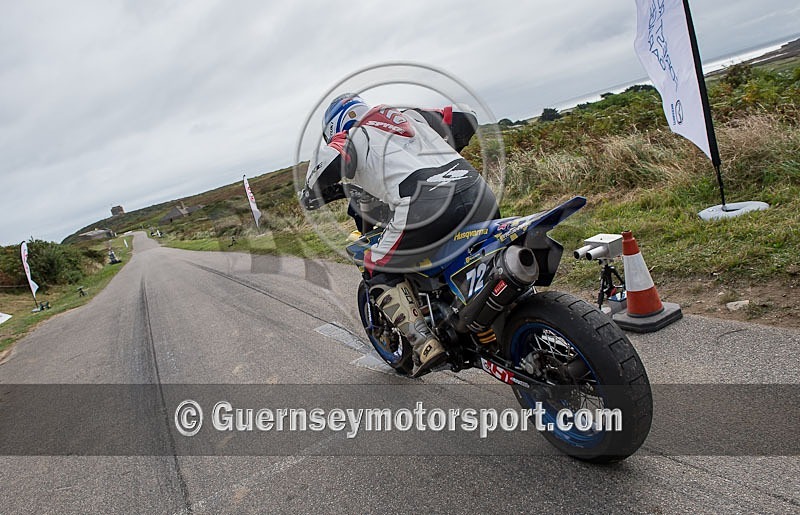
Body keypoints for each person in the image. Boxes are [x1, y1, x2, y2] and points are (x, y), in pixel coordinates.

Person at [301, 93, 499, 376]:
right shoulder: (408, 114)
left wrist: (311, 192)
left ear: (333, 127)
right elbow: (465, 116)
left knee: (375, 265)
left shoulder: (350, 134)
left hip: (424, 207)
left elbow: (324, 167)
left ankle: (425, 344)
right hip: (478, 192)